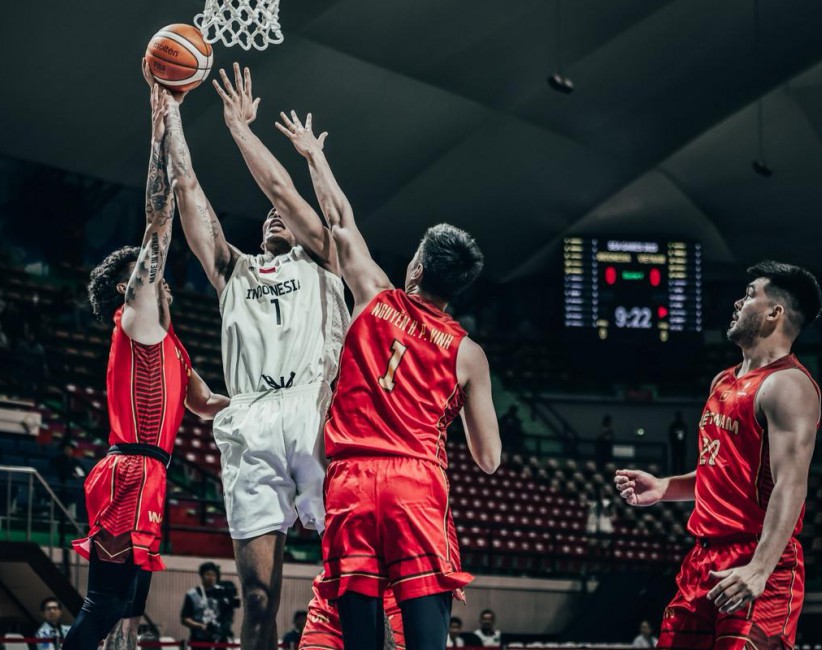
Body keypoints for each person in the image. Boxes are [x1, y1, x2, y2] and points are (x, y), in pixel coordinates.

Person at [274, 110, 501, 650]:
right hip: (416, 485)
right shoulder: (469, 354)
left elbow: (340, 220)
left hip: (351, 480)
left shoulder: (375, 293)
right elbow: (489, 459)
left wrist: (315, 155)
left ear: (417, 271)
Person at [163, 63, 351, 650]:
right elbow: (188, 190)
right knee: (260, 599)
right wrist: (168, 112)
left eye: (286, 219)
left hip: (317, 411)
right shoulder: (233, 270)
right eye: (267, 219)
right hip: (250, 419)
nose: (274, 217)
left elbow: (282, 192)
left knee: (358, 584)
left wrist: (240, 127)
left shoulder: (326, 260)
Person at [64, 77, 229, 650]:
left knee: (131, 607)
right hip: (129, 469)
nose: (163, 280)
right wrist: (160, 130)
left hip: (151, 473)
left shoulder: (174, 345)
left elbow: (207, 404)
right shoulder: (137, 321)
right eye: (150, 275)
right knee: (106, 601)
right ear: (135, 286)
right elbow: (158, 222)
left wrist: (277, 402)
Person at [615, 261, 822, 650]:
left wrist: (760, 568)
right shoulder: (723, 381)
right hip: (702, 559)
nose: (737, 302)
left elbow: (791, 485)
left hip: (759, 555)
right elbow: (721, 474)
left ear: (774, 313)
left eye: (749, 296)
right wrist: (664, 487)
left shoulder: (788, 385)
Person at [180, 562, 235, 643]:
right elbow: (185, 619)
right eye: (208, 574)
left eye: (213, 575)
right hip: (199, 639)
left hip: (220, 639)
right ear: (202, 576)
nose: (211, 578)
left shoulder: (223, 592)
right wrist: (201, 626)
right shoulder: (192, 594)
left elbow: (229, 615)